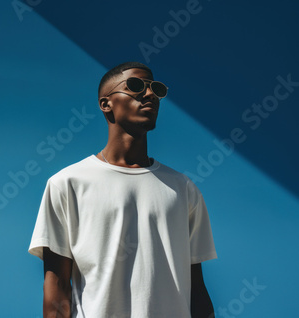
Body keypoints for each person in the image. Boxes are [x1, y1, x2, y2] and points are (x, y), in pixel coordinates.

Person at [28, 62, 217, 318]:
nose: (150, 94)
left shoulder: (183, 189)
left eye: (156, 89)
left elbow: (197, 289)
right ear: (106, 104)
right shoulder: (67, 183)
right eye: (137, 86)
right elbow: (57, 286)